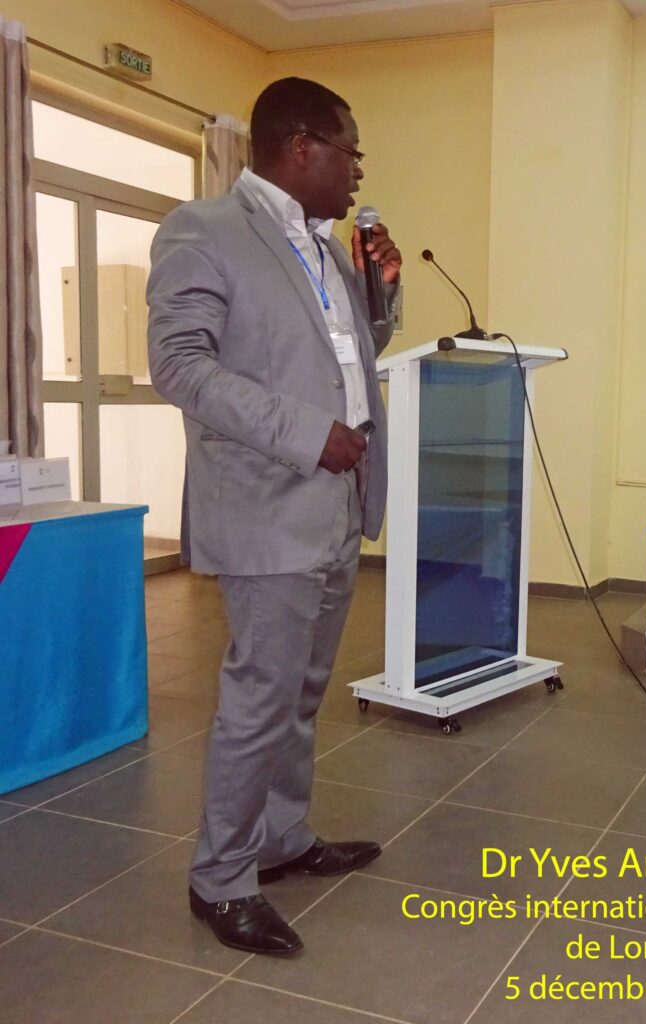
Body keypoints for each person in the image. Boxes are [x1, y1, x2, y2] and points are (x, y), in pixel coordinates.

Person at [147, 77, 402, 956]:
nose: (358, 170)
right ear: (302, 147)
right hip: (268, 503)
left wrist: (383, 293)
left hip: (337, 498)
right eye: (350, 152)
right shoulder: (203, 231)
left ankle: (282, 839)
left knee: (299, 692)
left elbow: (348, 356)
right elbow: (180, 364)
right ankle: (220, 880)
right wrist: (304, 434)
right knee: (258, 698)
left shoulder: (327, 250)